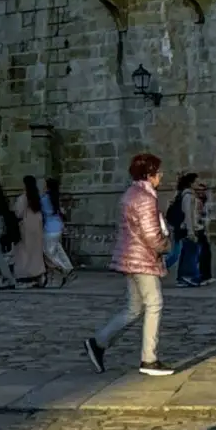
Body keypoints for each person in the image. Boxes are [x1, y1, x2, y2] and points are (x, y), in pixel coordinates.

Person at [84, 152, 174, 378]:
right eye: (158, 172)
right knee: (154, 303)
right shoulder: (146, 198)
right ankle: (149, 359)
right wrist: (166, 245)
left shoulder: (130, 194)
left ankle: (98, 342)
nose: (161, 176)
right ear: (150, 174)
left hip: (129, 257)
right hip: (142, 258)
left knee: (134, 307)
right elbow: (151, 235)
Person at [13, 176, 46, 288]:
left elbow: (19, 213)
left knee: (25, 252)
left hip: (26, 226)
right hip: (37, 225)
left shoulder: (23, 198)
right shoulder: (37, 198)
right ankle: (39, 273)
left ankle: (27, 275)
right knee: (36, 251)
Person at [41, 177, 73, 285]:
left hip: (49, 227)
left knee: (48, 252)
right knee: (58, 249)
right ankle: (68, 266)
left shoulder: (45, 198)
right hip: (58, 226)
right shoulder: (55, 197)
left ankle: (64, 268)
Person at [194, 179, 214, 287]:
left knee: (206, 252)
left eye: (203, 190)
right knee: (201, 253)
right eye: (199, 190)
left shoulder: (204, 201)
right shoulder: (196, 201)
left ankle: (206, 275)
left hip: (202, 229)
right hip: (198, 229)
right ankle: (202, 275)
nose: (201, 192)